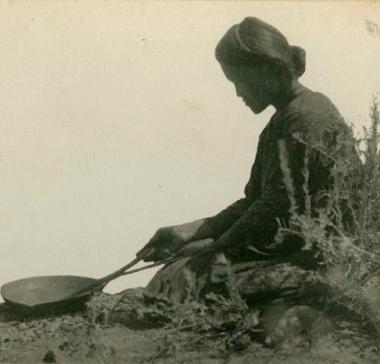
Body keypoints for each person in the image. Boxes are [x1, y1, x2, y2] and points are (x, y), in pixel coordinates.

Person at [138, 17, 356, 303]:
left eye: (240, 80)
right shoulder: (284, 120)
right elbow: (254, 201)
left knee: (188, 278)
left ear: (268, 68)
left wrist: (214, 247)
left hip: (322, 260)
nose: (238, 92)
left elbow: (275, 209)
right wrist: (188, 232)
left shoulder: (304, 118)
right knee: (180, 270)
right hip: (296, 246)